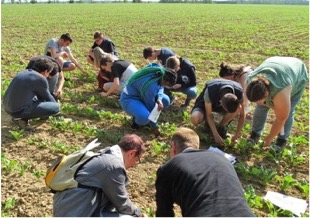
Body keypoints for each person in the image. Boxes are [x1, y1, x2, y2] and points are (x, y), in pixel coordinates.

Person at [155, 127, 255, 217]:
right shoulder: (223, 159)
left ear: (173, 147)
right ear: (196, 146)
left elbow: (164, 213)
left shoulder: (169, 167)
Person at [53, 134, 146, 217]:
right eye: (137, 159)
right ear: (132, 153)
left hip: (68, 209)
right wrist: (138, 213)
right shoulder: (113, 166)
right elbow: (122, 204)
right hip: (75, 213)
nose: (134, 164)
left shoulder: (106, 154)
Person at [246, 56, 308, 150]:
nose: (257, 103)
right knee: (261, 107)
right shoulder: (250, 81)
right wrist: (263, 103)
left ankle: (281, 140)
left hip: (296, 72)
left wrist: (269, 138)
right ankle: (255, 134)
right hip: (276, 63)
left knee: (288, 111)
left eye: (259, 100)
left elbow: (281, 119)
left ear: (267, 93)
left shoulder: (280, 91)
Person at [3, 58, 60, 130]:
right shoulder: (40, 78)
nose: (48, 76)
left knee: (36, 98)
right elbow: (48, 98)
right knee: (56, 107)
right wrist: (55, 109)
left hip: (7, 107)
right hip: (17, 111)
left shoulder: (23, 72)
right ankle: (21, 119)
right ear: (46, 71)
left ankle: (19, 118)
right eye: (48, 73)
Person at [120, 66, 176, 137]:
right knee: (144, 117)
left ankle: (141, 112)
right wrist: (154, 126)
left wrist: (159, 99)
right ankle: (136, 121)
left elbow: (161, 87)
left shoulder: (160, 73)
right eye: (167, 85)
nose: (165, 86)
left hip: (143, 95)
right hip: (130, 98)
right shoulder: (150, 86)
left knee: (165, 100)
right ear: (165, 81)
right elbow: (151, 107)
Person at [191, 78, 245, 146]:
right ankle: (206, 124)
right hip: (205, 103)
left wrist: (236, 135)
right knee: (195, 118)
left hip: (221, 102)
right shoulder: (211, 91)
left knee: (239, 108)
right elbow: (209, 114)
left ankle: (220, 127)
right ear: (220, 103)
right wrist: (216, 135)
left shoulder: (239, 92)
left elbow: (242, 115)